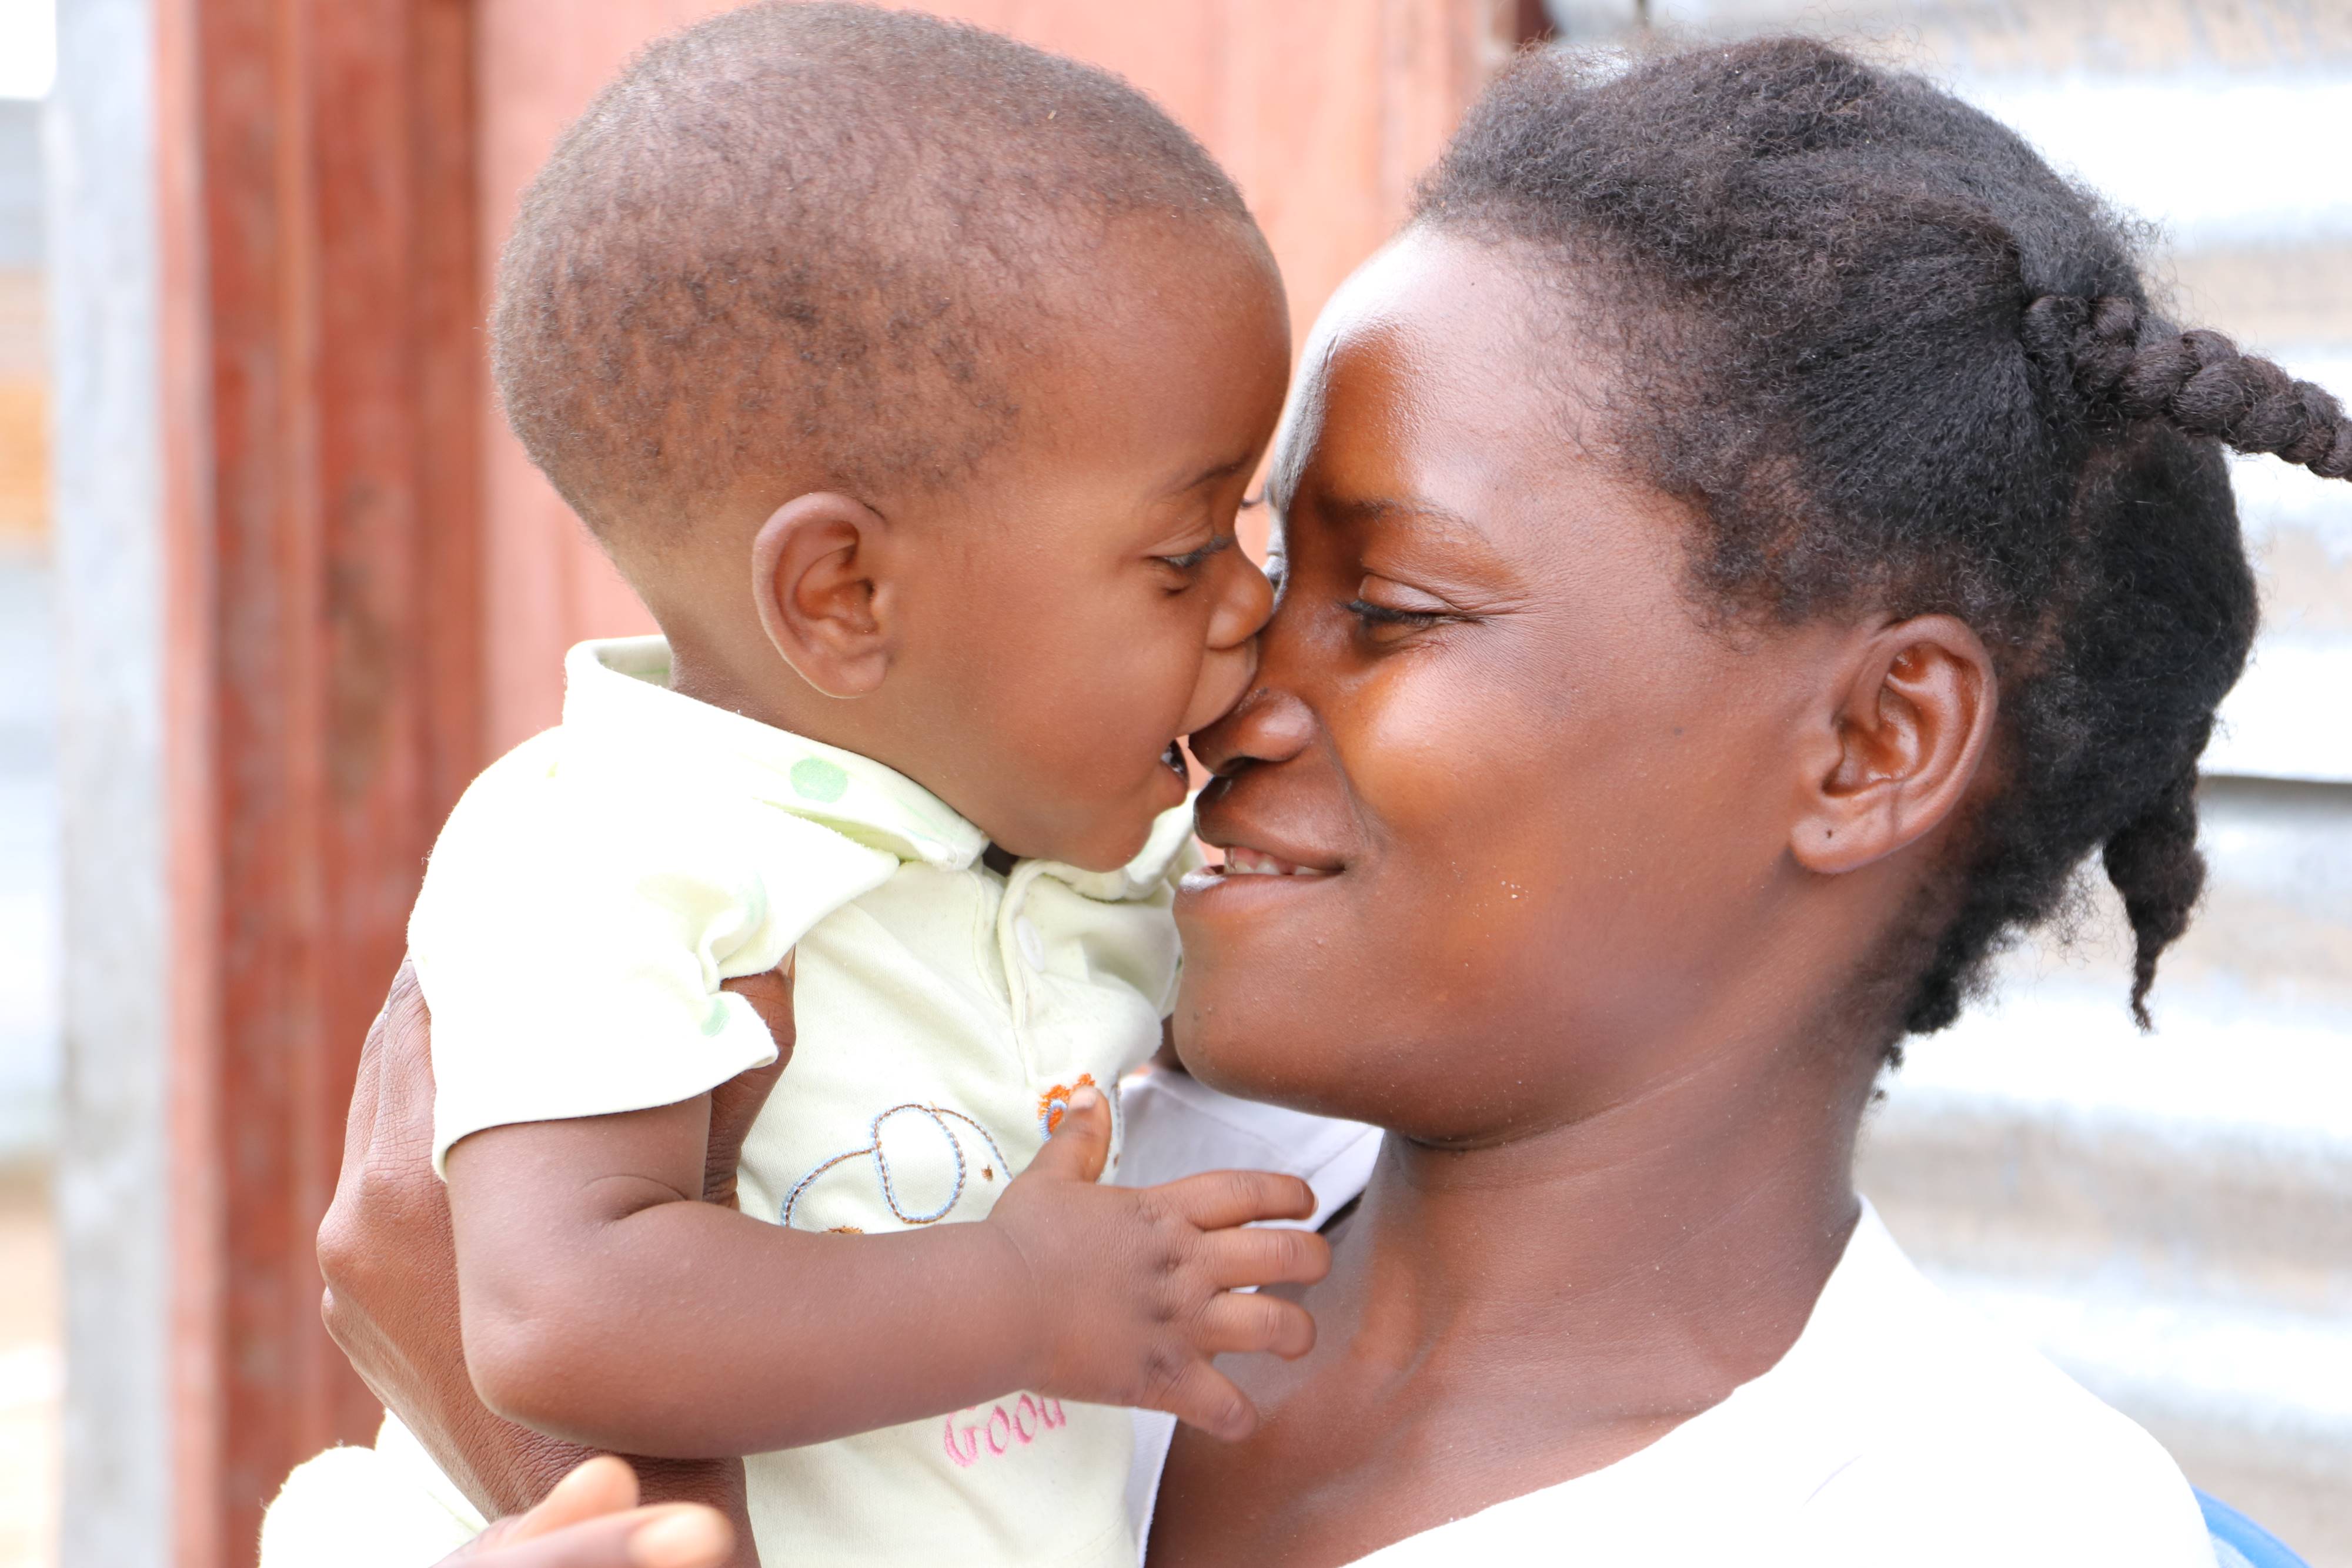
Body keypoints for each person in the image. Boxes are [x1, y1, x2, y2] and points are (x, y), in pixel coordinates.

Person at [312, 34, 2352, 1568]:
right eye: (1222, 569)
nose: (1234, 693)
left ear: (1871, 741)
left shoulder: (1977, 1528)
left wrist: (567, 1456)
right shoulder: (940, 1111)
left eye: (1390, 604)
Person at [262, 6, 1332, 1568]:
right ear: (844, 596)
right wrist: (1026, 1297)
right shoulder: (612, 847)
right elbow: (557, 1306)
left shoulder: (1051, 842)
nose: (1250, 604)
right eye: (1181, 556)